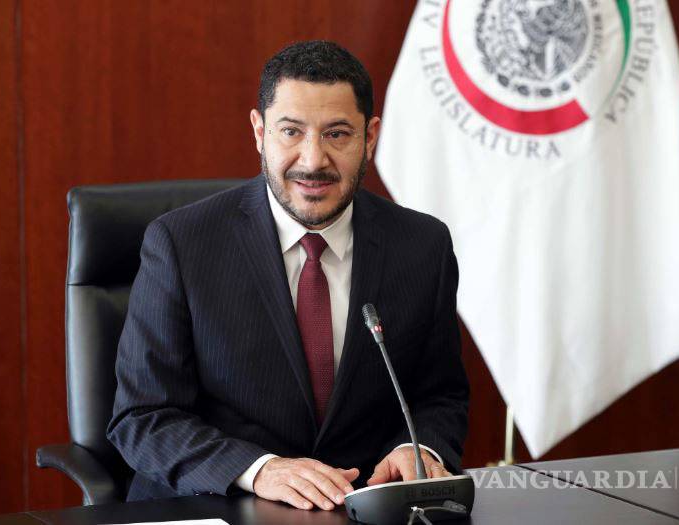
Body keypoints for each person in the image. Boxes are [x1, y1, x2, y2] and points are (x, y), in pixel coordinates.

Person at [107, 40, 470, 511]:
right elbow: (142, 417)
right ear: (260, 132)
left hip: (362, 508)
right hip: (219, 506)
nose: (313, 160)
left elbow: (439, 395)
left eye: (337, 134)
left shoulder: (422, 246)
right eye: (291, 132)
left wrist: (416, 448)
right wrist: (259, 469)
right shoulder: (181, 244)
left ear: (370, 137)